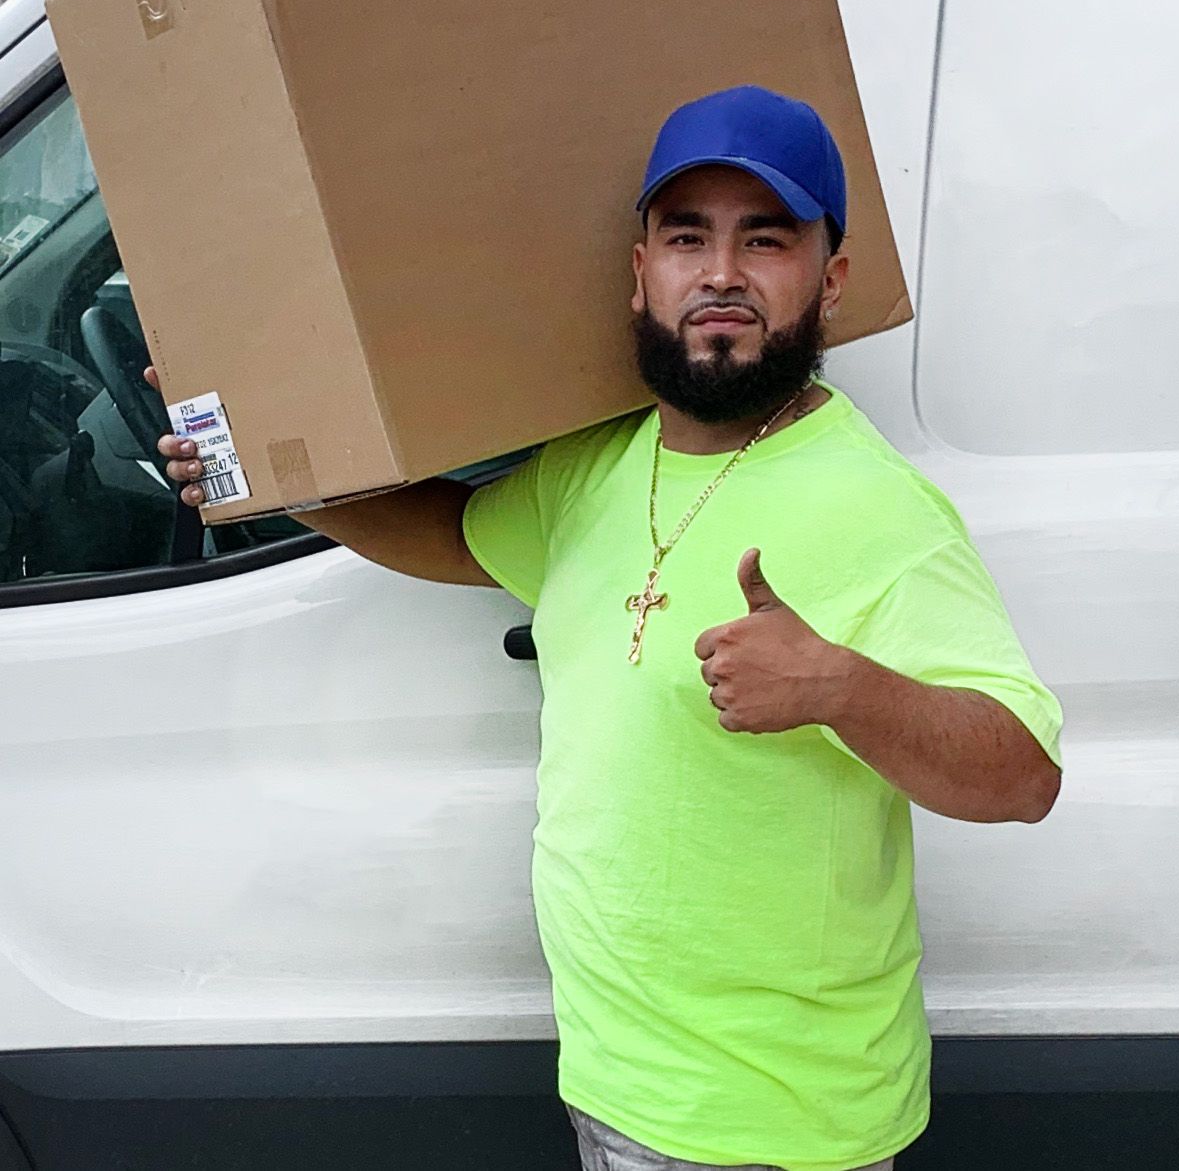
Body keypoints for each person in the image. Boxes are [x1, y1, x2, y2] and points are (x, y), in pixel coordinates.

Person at [154, 85, 1062, 1171]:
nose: (719, 272)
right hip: (614, 1087)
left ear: (831, 278)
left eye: (763, 238)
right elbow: (449, 532)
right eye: (688, 236)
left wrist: (838, 685)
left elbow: (1022, 774)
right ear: (641, 273)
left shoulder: (877, 509)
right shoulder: (594, 468)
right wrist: (256, 477)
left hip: (782, 1129)